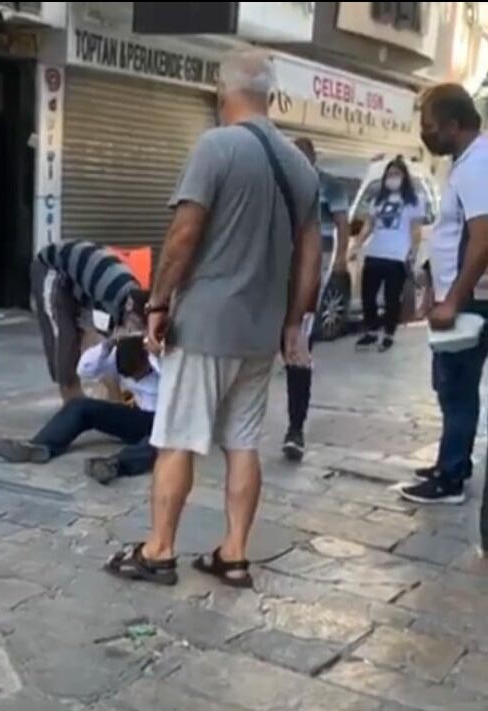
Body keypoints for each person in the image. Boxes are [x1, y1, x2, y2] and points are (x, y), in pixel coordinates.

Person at [104, 50, 321, 587]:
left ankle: (158, 550)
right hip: (258, 331)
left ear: (223, 91)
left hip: (204, 324)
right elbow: (311, 260)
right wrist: (292, 322)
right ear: (269, 94)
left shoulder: (216, 146)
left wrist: (157, 303)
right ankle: (234, 554)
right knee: (243, 442)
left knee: (177, 438)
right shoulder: (300, 165)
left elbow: (183, 235)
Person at [398, 84, 488, 505]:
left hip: (471, 298)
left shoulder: (476, 165)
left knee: (456, 387)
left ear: (453, 125)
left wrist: (453, 299)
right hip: (461, 293)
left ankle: (450, 477)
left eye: (430, 126)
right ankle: (451, 461)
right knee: (451, 386)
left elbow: (482, 240)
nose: (425, 133)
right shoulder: (468, 163)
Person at [0, 335, 159, 485]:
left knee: (160, 441)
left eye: (140, 374)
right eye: (131, 377)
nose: (135, 380)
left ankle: (115, 465)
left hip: (172, 422)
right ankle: (39, 447)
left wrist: (155, 354)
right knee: (80, 406)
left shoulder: (163, 361)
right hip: (140, 418)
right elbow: (85, 370)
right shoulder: (124, 355)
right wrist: (108, 345)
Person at [283, 138, 350, 462]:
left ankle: (295, 429)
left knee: (299, 348)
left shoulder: (328, 185)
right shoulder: (280, 183)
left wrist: (341, 257)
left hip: (312, 267)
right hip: (277, 270)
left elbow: (341, 223)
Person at [31, 240, 149, 403]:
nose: (133, 331)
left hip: (82, 285)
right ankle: (71, 400)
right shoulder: (110, 295)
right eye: (135, 326)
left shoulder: (129, 301)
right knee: (65, 339)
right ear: (129, 310)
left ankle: (111, 400)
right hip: (53, 269)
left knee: (99, 341)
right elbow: (106, 343)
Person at [353, 157, 424, 352]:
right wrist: (357, 245)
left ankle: (388, 334)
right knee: (368, 296)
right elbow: (369, 225)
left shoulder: (414, 201)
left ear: (404, 177)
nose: (393, 178)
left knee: (392, 298)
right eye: (390, 174)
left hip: (398, 256)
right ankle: (372, 330)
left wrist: (413, 253)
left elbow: (415, 229)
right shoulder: (378, 200)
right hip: (375, 252)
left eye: (397, 174)